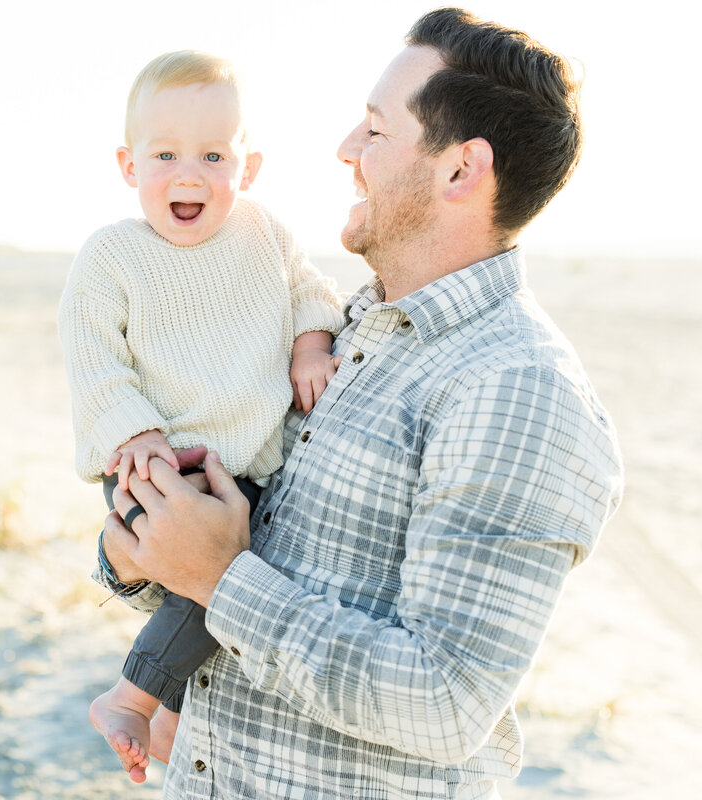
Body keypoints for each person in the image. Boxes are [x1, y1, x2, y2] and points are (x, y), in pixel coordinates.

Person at [97, 8, 624, 799]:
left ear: (459, 171)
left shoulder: (516, 389)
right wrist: (131, 551)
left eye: (375, 132)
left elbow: (446, 704)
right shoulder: (344, 330)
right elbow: (236, 537)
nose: (345, 148)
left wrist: (222, 579)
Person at [57, 51, 345, 783]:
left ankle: (172, 718)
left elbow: (312, 288)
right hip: (159, 462)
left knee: (225, 577)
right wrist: (136, 432)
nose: (189, 173)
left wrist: (312, 342)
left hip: (248, 462)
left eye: (214, 155)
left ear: (247, 168)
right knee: (225, 566)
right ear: (128, 165)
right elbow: (93, 358)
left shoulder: (265, 234)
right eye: (165, 154)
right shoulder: (113, 257)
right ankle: (130, 695)